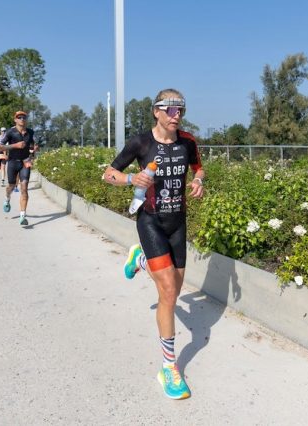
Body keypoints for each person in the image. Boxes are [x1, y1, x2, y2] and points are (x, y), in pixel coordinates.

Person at [102, 89, 204, 400]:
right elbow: (109, 174)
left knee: (173, 289)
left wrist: (199, 180)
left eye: (181, 109)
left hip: (178, 224)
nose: (177, 115)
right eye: (171, 109)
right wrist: (131, 180)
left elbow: (198, 168)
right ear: (156, 111)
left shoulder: (188, 142)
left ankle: (140, 260)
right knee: (169, 292)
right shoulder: (140, 142)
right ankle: (168, 368)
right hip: (150, 222)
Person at [0, 111, 38, 226]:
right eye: (19, 117)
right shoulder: (10, 132)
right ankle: (7, 199)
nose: (22, 119)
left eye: (24, 117)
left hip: (25, 162)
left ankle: (22, 216)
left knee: (24, 188)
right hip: (12, 162)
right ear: (15, 120)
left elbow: (35, 143)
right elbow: (0, 146)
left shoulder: (30, 132)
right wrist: (15, 146)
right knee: (11, 186)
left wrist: (35, 148)